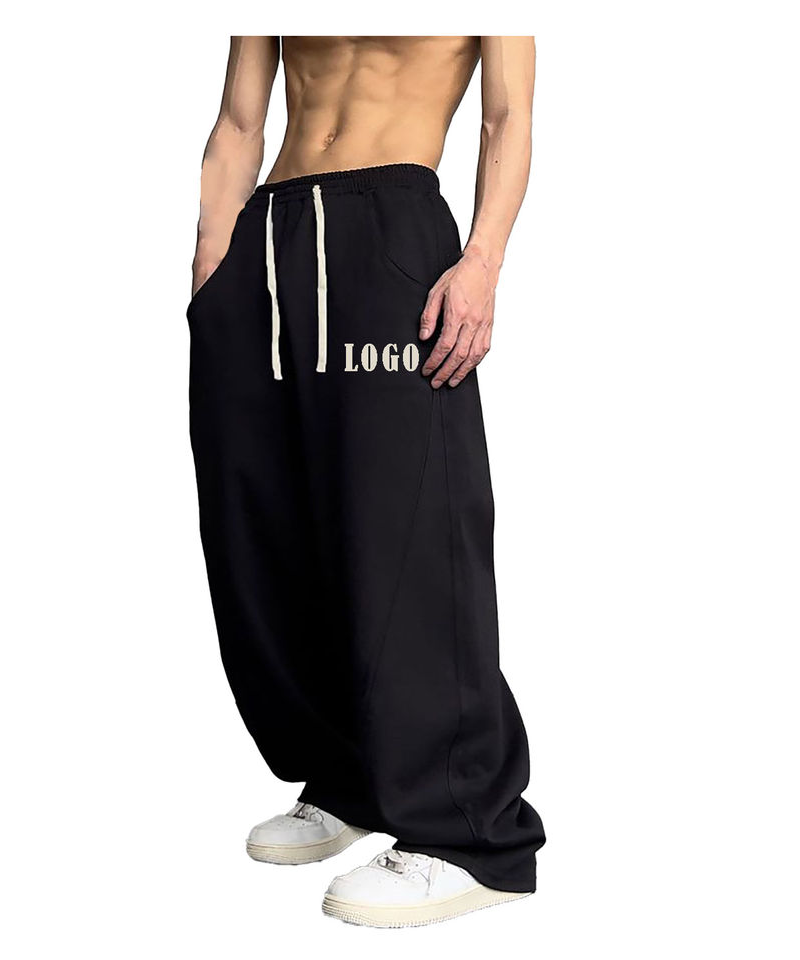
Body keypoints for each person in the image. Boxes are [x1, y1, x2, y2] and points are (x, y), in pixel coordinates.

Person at [187, 35, 544, 928]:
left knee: (407, 528)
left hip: (390, 228)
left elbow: (507, 117)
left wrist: (483, 262)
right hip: (268, 233)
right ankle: (348, 773)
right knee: (264, 519)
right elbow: (239, 122)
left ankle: (470, 832)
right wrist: (211, 267)